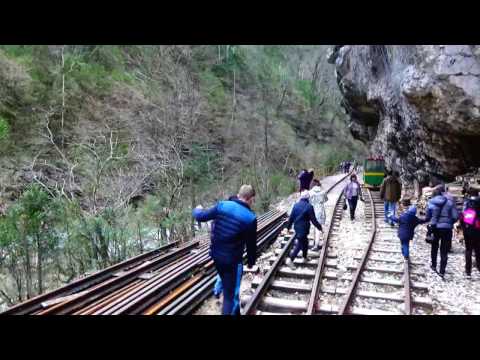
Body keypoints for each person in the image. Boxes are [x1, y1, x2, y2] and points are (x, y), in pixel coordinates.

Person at [192, 185, 257, 315]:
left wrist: (196, 209)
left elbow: (201, 216)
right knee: (230, 297)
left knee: (229, 289)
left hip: (216, 257)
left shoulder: (222, 205)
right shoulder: (250, 218)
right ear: (251, 199)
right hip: (232, 262)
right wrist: (251, 262)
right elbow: (251, 246)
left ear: (238, 195)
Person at [425, 184, 459, 279]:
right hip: (447, 229)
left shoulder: (431, 202)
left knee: (434, 246)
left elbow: (427, 217)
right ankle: (442, 271)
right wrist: (449, 223)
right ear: (442, 193)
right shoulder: (449, 202)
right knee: (444, 250)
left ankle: (434, 265)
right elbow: (455, 216)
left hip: (435, 228)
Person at [285, 191, 323, 269]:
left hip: (297, 228)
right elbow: (314, 220)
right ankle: (290, 260)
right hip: (304, 229)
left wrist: (287, 228)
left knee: (305, 242)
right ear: (308, 198)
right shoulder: (309, 206)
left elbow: (291, 218)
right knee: (299, 245)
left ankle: (305, 258)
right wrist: (320, 228)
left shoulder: (295, 205)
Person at [459, 195, 480, 279]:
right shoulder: (479, 212)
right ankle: (479, 267)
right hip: (477, 234)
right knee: (478, 251)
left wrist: (464, 230)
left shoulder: (467, 211)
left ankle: (468, 271)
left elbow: (461, 221)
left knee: (468, 251)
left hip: (467, 234)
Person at [309, 179, 328, 251]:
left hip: (312, 211)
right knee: (318, 228)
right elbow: (326, 199)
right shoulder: (323, 192)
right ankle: (316, 243)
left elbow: (309, 201)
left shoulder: (310, 192)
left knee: (315, 227)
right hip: (321, 211)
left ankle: (315, 244)